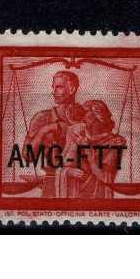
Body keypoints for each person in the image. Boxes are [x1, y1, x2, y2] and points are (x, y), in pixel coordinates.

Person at [24, 69, 88, 199]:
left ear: (72, 89)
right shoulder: (42, 118)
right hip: (53, 184)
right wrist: (45, 130)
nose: (54, 92)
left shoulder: (86, 115)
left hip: (84, 185)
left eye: (59, 87)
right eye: (53, 87)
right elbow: (27, 156)